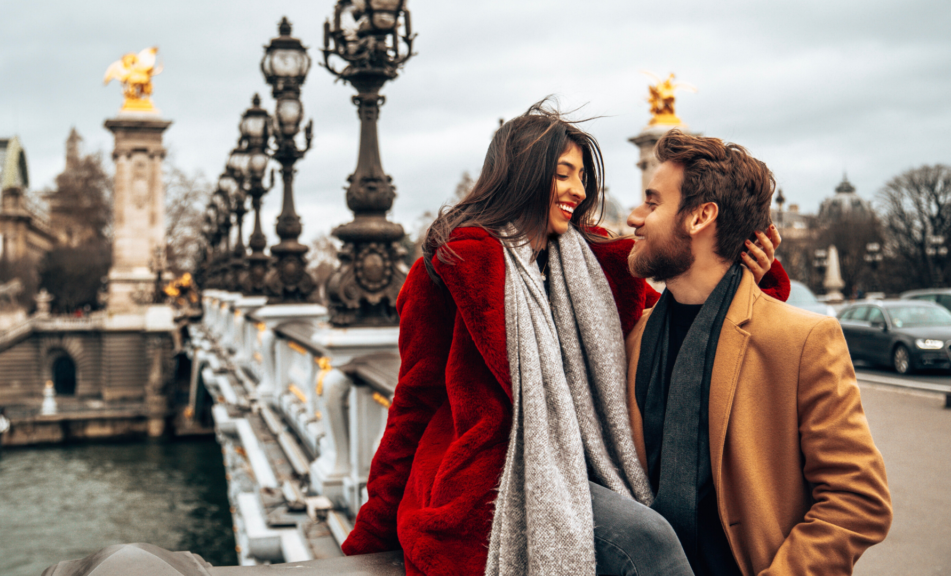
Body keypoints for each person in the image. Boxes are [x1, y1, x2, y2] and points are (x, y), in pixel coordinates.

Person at [342, 103, 789, 575]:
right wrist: (368, 538)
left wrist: (752, 283)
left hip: (587, 467)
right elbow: (414, 403)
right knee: (648, 540)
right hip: (491, 486)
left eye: (581, 177)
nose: (579, 190)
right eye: (563, 175)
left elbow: (684, 318)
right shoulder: (454, 267)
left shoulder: (598, 269)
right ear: (522, 175)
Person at [623, 129, 892, 575]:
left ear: (699, 217)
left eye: (653, 204)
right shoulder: (635, 337)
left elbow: (857, 500)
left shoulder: (803, 340)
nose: (634, 216)